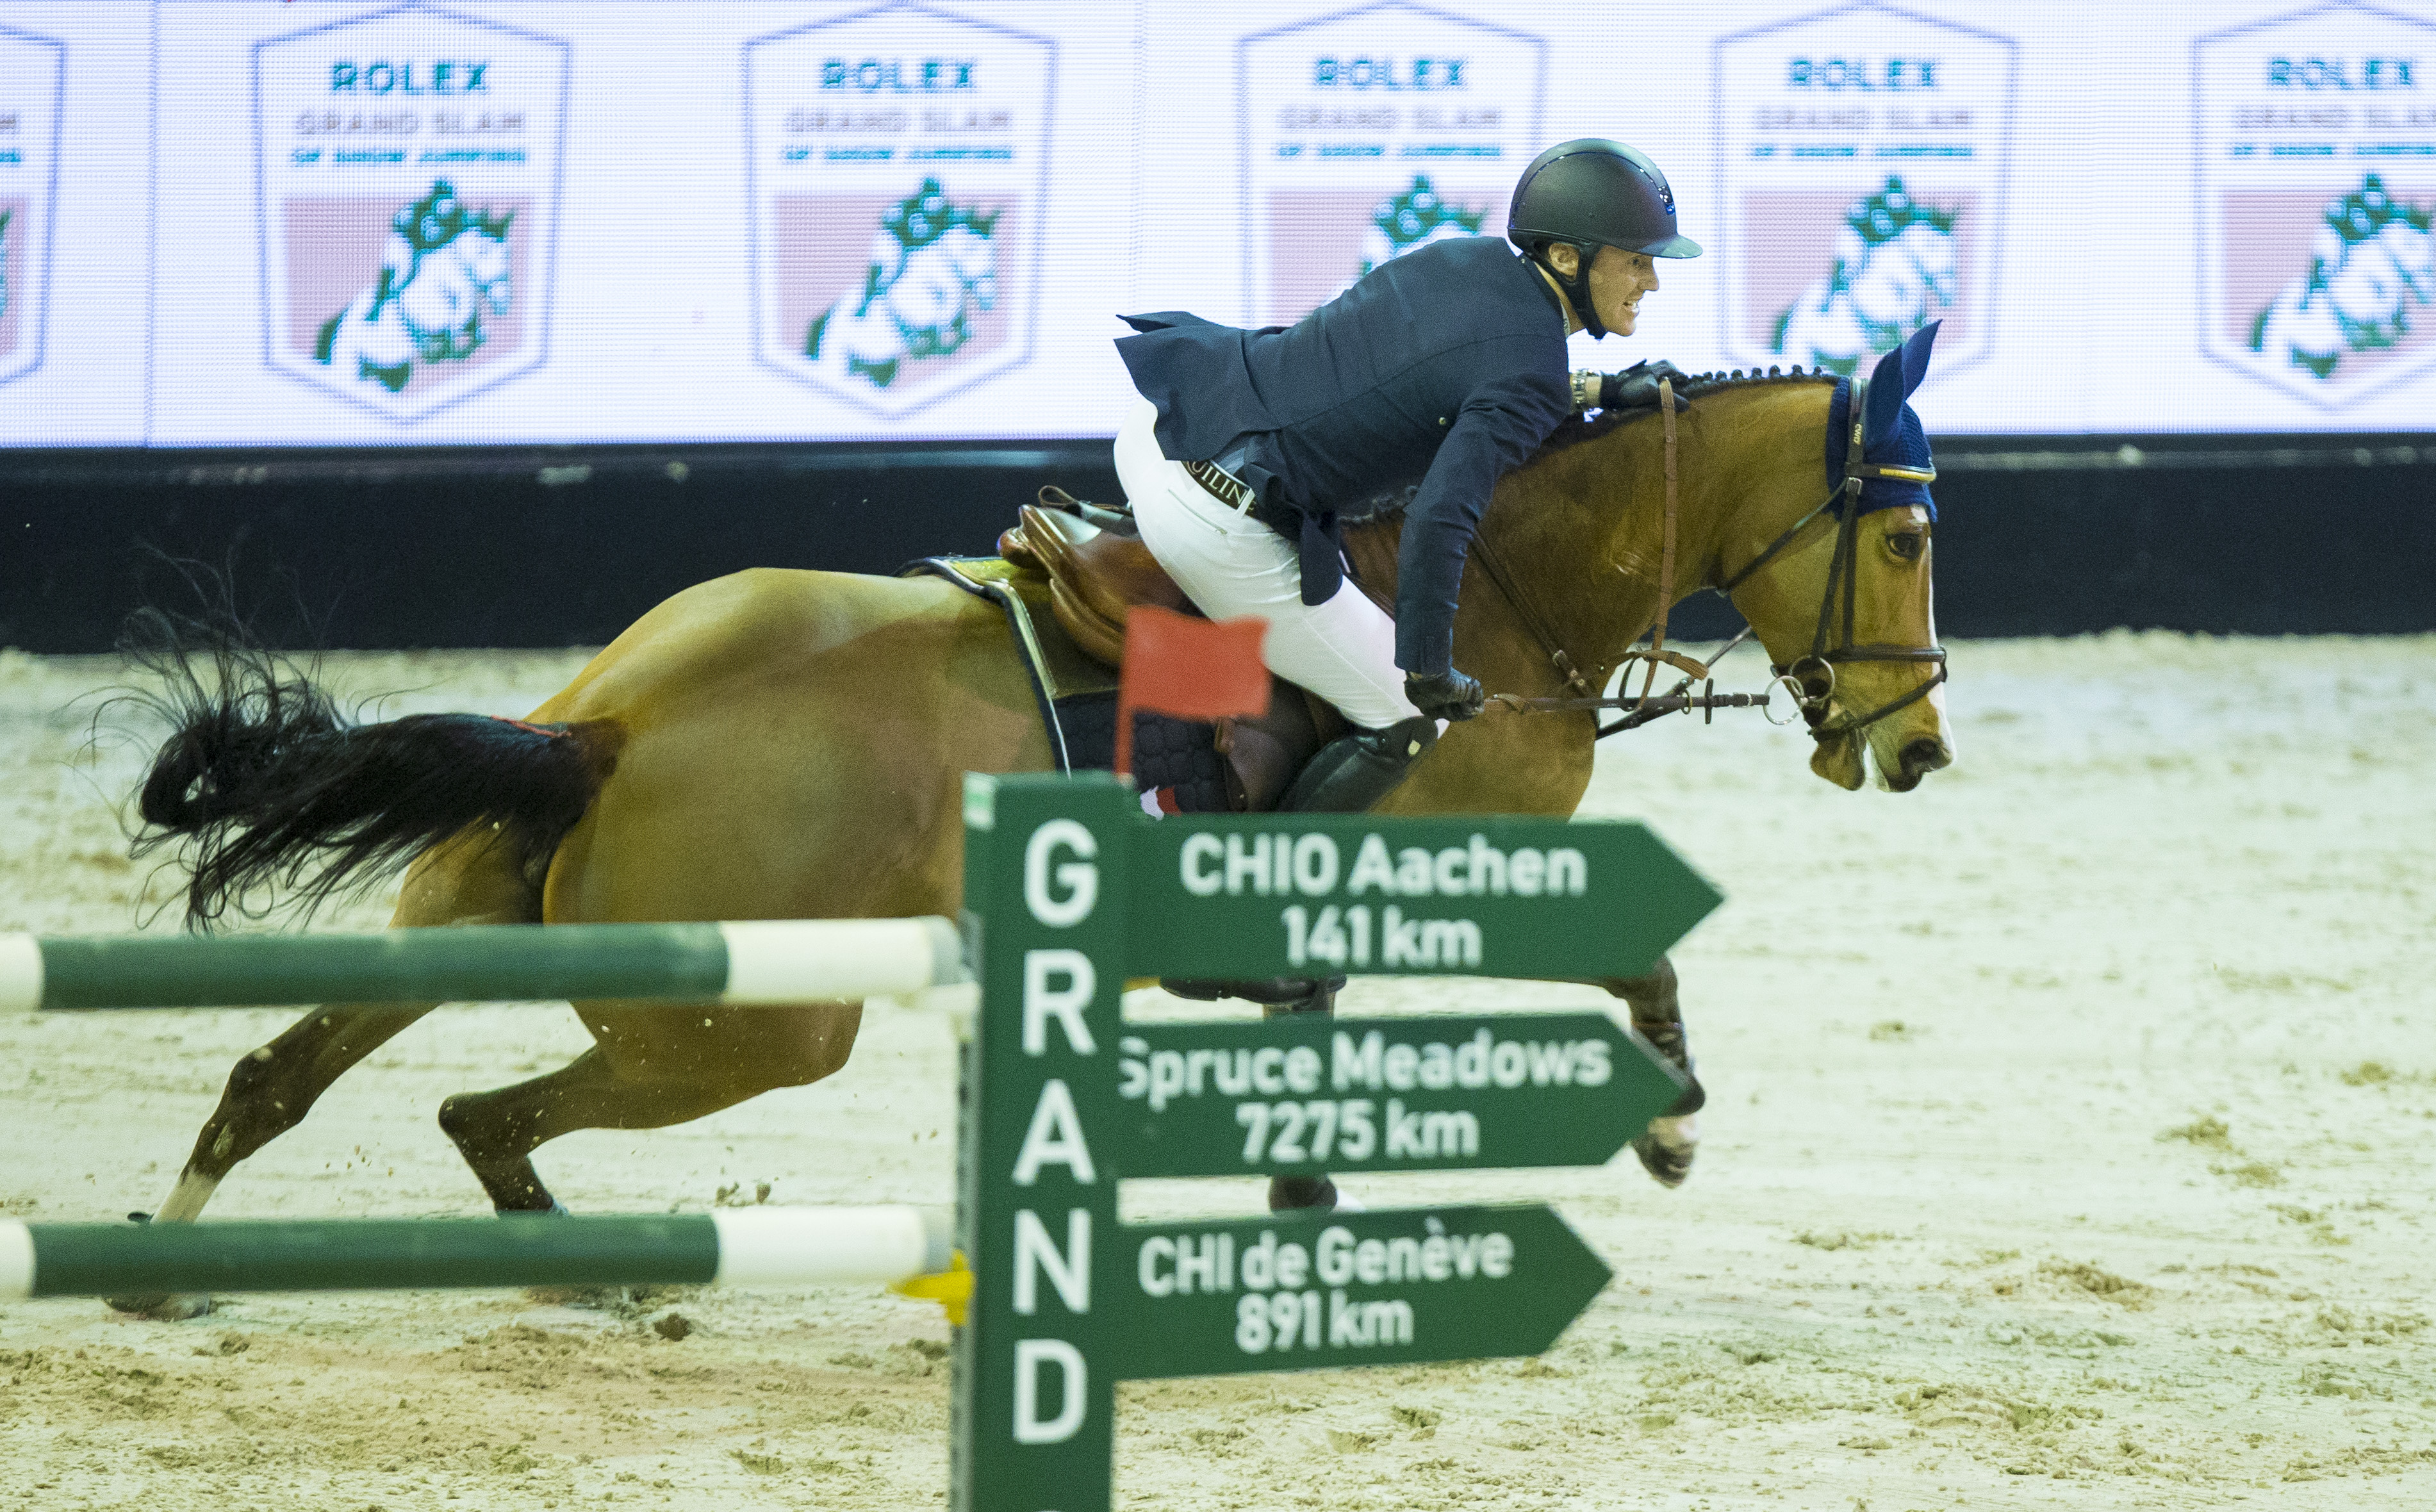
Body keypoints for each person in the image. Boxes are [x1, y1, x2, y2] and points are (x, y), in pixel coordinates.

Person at [1112, 138, 1704, 812]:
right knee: (1409, 718)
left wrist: (1600, 389)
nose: (1651, 282)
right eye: (1636, 262)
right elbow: (1440, 517)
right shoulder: (1530, 374)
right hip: (1213, 523)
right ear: (1568, 259)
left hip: (1166, 418)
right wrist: (1427, 668)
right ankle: (1275, 871)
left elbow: (1453, 372)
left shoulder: (1466, 257)